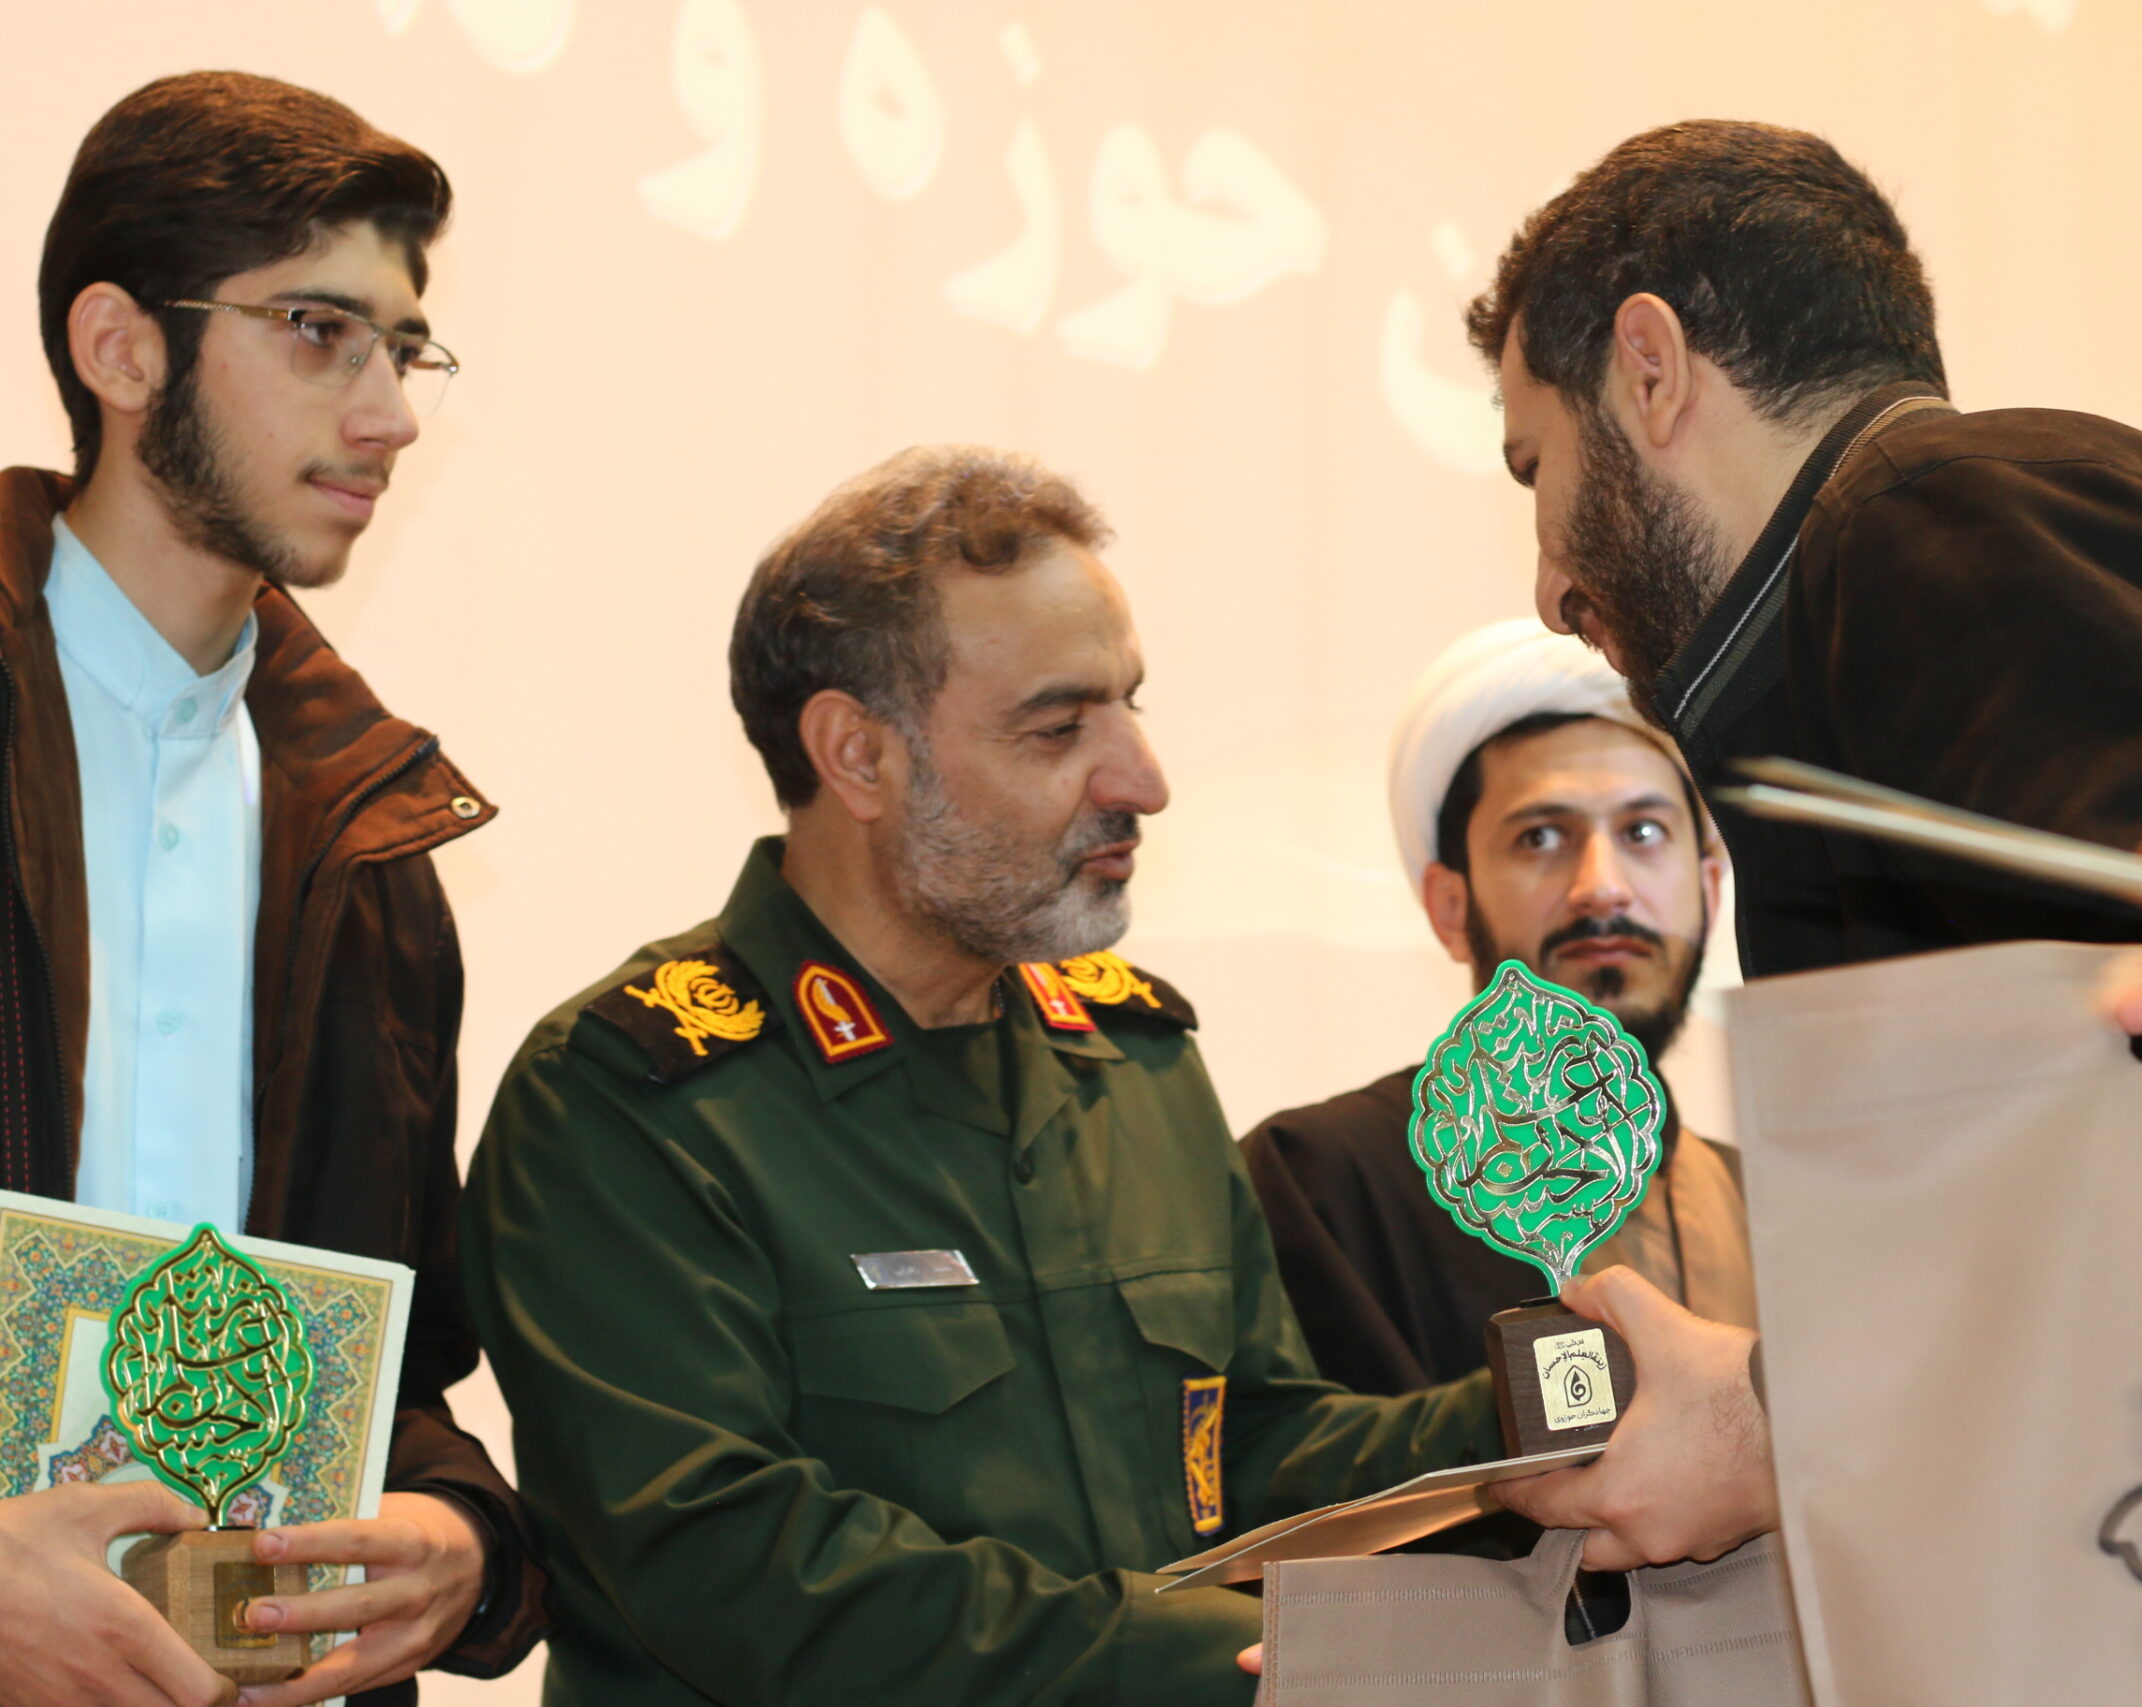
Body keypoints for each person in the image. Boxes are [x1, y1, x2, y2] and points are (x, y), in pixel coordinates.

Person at [460, 448, 1522, 1707]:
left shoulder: (1133, 1059)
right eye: (1060, 727)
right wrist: (1227, 1669)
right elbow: (743, 1576)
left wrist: (1552, 1409)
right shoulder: (630, 1105)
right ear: (858, 756)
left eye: (1130, 707)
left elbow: (1248, 1452)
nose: (1143, 781)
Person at [1463, 120, 2142, 1062]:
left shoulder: (1923, 529)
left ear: (1650, 370)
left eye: (1536, 464)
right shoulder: (1943, 537)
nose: (1551, 590)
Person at [0, 74, 543, 1707]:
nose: (390, 416)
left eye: (405, 349)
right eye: (320, 331)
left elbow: (396, 1366)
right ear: (121, 350)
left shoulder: (372, 838)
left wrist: (457, 1533)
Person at [1243, 619, 1752, 1395]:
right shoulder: (1325, 1181)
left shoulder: (1778, 1204)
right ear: (1450, 907)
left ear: (1711, 889)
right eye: (1541, 837)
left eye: (1643, 831)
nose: (1603, 887)